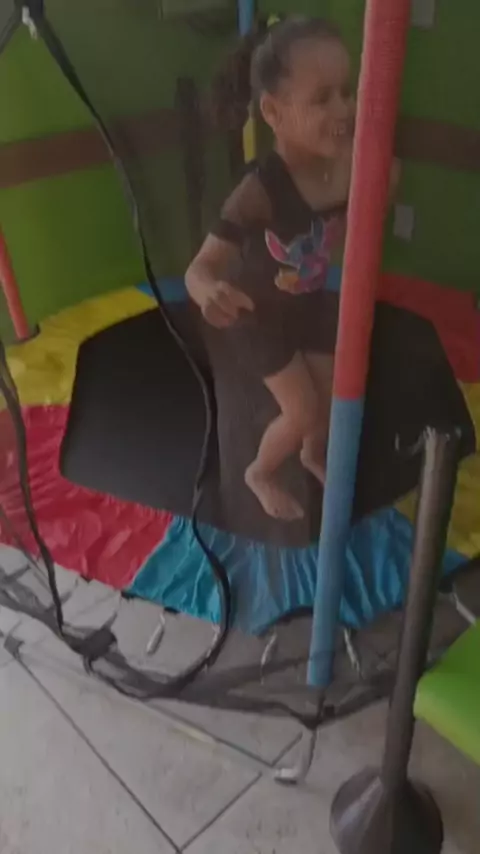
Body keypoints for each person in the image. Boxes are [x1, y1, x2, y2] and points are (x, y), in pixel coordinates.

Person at [186, 16, 399, 522]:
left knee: (329, 396)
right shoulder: (260, 189)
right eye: (322, 99)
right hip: (257, 314)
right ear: (274, 113)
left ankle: (311, 454)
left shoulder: (345, 164)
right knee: (301, 409)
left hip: (308, 301)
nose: (343, 109)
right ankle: (259, 471)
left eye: (346, 92)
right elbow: (201, 266)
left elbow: (378, 202)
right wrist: (209, 288)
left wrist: (381, 172)